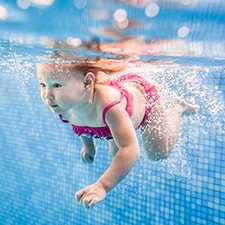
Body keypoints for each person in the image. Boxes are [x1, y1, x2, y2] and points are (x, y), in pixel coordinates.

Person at [36, 54, 198, 210]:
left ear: (87, 83)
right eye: (42, 85)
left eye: (56, 85)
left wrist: (103, 185)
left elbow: (131, 149)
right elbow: (82, 125)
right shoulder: (64, 107)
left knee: (158, 153)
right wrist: (89, 146)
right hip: (113, 114)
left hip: (144, 98)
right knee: (116, 152)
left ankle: (177, 107)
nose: (47, 95)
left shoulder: (109, 107)